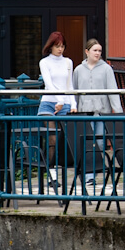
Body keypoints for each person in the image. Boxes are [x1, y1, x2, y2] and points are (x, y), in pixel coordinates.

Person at [73, 38, 123, 186]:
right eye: (95, 50)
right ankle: (89, 175)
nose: (98, 53)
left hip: (101, 112)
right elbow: (74, 91)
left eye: (100, 51)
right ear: (87, 51)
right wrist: (74, 108)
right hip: (84, 113)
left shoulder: (106, 69)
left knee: (100, 144)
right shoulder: (78, 70)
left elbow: (112, 91)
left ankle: (94, 171)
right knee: (87, 145)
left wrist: (117, 112)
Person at [38, 31, 77, 186]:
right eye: (57, 46)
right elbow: (48, 84)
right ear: (51, 46)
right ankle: (52, 176)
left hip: (65, 104)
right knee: (52, 139)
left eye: (62, 46)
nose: (60, 49)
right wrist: (59, 100)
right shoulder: (45, 62)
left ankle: (69, 173)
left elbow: (70, 85)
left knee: (65, 140)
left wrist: (73, 104)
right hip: (48, 103)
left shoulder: (68, 62)